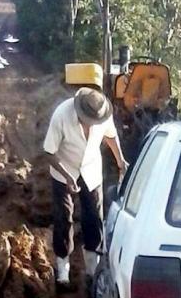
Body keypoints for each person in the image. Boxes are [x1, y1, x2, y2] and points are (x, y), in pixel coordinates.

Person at [43, 86, 126, 285]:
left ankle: (92, 267)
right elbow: (49, 152)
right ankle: (63, 267)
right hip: (64, 168)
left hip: (90, 169)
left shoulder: (103, 114)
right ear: (80, 113)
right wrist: (67, 176)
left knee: (94, 216)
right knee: (63, 216)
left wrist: (121, 161)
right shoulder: (62, 115)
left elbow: (111, 136)